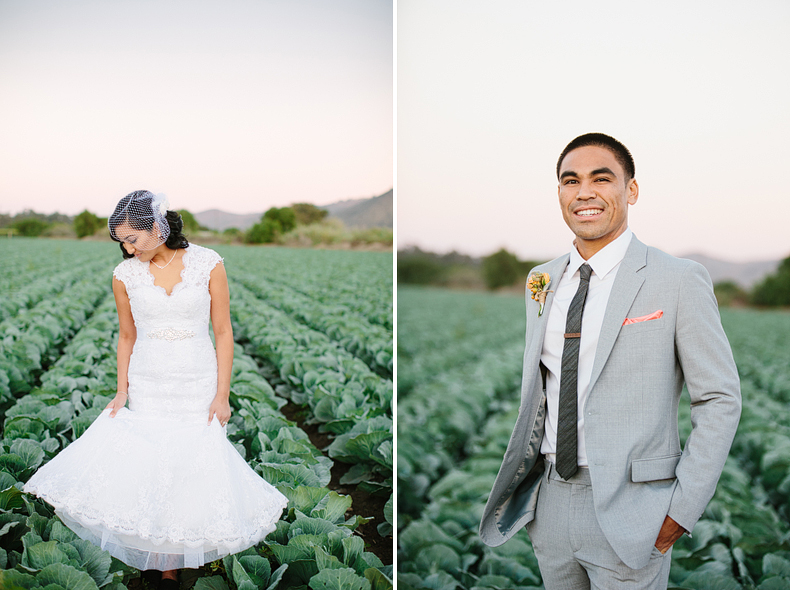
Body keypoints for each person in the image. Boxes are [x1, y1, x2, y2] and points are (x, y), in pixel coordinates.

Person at [478, 133, 741, 589]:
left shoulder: (677, 279)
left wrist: (681, 510)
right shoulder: (541, 280)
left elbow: (719, 398)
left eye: (602, 178)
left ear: (631, 190)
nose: (584, 192)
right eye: (570, 180)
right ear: (559, 192)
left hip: (636, 507)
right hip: (552, 502)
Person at [24, 190, 288, 589]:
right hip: (149, 379)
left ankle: (179, 558)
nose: (128, 249)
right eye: (123, 242)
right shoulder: (124, 275)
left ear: (157, 228)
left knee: (188, 468)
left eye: (133, 239)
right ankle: (158, 560)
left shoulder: (208, 264)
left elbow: (223, 331)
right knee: (149, 465)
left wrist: (222, 394)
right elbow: (127, 336)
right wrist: (121, 390)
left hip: (197, 379)